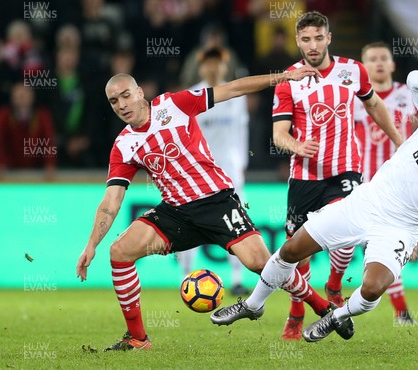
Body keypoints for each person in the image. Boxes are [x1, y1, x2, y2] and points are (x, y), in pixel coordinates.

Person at [75, 66, 350, 351]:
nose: (121, 105)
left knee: (261, 264)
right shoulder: (123, 145)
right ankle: (137, 338)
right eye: (114, 101)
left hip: (217, 202)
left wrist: (281, 77)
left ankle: (324, 309)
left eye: (125, 96)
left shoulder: (173, 105)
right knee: (119, 252)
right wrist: (91, 244)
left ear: (140, 92)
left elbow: (233, 89)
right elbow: (112, 200)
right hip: (176, 213)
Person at [210, 70, 418, 343]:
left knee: (372, 289)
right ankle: (252, 304)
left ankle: (338, 315)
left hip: (400, 229)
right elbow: (413, 79)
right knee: (291, 250)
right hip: (364, 203)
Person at [269, 11, 403, 340]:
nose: (312, 45)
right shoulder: (289, 79)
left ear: (329, 38)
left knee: (347, 232)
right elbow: (278, 134)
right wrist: (296, 145)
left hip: (345, 169)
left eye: (318, 38)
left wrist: (399, 141)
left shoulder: (352, 71)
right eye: (305, 39)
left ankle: (333, 283)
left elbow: (373, 105)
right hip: (304, 175)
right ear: (298, 41)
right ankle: (298, 308)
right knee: (296, 248)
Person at [176, 47, 251, 296]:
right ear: (200, 66)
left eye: (217, 63)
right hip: (197, 171)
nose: (212, 67)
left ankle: (238, 279)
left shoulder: (234, 96)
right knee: (189, 223)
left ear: (223, 66)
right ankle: (186, 277)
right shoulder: (191, 96)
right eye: (208, 63)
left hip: (229, 171)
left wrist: (241, 164)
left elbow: (242, 131)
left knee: (236, 223)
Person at [354, 41, 418, 324]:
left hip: (399, 186)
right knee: (359, 248)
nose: (379, 63)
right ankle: (398, 310)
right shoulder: (354, 98)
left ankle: (399, 311)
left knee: (386, 247)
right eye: (372, 59)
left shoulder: (409, 95)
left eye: (383, 58)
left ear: (392, 65)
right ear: (364, 66)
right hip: (360, 183)